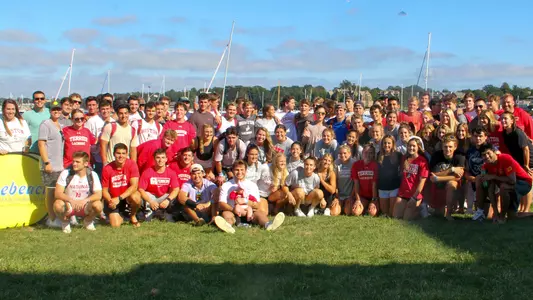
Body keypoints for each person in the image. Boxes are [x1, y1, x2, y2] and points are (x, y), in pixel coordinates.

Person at [214, 160, 285, 233]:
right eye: (237, 170)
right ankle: (227, 226)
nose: (239, 172)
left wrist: (246, 201)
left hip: (250, 213)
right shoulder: (226, 185)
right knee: (226, 214)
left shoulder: (252, 185)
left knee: (260, 214)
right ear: (232, 170)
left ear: (246, 171)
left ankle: (268, 225)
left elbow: (257, 205)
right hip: (233, 211)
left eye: (242, 170)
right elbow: (221, 203)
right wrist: (233, 209)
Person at [477, 144, 532, 223]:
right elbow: (490, 189)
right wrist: (495, 212)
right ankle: (495, 214)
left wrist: (494, 176)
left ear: (494, 152)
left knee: (503, 186)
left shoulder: (505, 158)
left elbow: (512, 180)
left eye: (488, 153)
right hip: (509, 187)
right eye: (483, 155)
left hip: (524, 183)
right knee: (512, 216)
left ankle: (502, 216)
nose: (486, 156)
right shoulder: (484, 167)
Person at [53, 151, 103, 233]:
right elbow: (57, 193)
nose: (74, 164)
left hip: (85, 205)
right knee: (57, 205)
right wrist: (71, 200)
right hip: (69, 205)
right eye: (73, 161)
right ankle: (65, 222)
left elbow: (98, 195)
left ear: (86, 163)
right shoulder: (66, 173)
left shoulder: (92, 175)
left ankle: (88, 221)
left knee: (98, 205)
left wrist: (84, 201)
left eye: (77, 162)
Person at [38, 100, 66, 228]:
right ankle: (51, 218)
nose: (56, 112)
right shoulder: (45, 124)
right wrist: (46, 162)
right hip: (50, 164)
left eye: (58, 110)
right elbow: (41, 144)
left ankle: (57, 216)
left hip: (60, 165)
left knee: (58, 192)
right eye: (54, 109)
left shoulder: (60, 125)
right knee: (50, 192)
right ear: (50, 111)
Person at [101, 143, 142, 228]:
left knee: (136, 197)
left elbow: (134, 186)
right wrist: (110, 201)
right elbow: (104, 190)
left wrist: (119, 198)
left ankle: (132, 216)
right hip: (113, 198)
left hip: (126, 196)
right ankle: (124, 216)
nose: (121, 156)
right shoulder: (107, 168)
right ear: (114, 154)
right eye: (118, 153)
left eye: (123, 153)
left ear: (127, 154)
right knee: (115, 225)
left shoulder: (132, 164)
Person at [500, 112, 533, 213]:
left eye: (506, 119)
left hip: (529, 160)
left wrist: (526, 165)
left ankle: (526, 209)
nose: (503, 121)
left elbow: (526, 149)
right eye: (502, 119)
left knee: (528, 182)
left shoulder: (518, 133)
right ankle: (519, 208)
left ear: (512, 120)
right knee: (520, 182)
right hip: (518, 162)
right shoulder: (505, 133)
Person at [428, 134, 465, 221]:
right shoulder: (436, 155)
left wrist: (438, 178)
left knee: (451, 184)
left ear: (455, 147)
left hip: (451, 183)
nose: (447, 149)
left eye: (450, 147)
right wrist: (451, 169)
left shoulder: (460, 157)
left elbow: (457, 177)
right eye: (445, 147)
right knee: (438, 214)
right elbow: (432, 174)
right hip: (437, 184)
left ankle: (449, 213)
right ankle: (430, 208)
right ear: (442, 146)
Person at [138, 148, 180, 222]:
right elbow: (141, 189)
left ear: (166, 159)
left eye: (163, 157)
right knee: (144, 195)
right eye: (158, 157)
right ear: (154, 159)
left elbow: (176, 189)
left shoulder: (171, 172)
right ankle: (148, 212)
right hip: (150, 197)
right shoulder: (147, 172)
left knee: (174, 195)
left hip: (163, 197)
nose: (160, 160)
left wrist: (167, 200)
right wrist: (150, 201)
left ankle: (165, 212)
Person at [393, 137, 429, 220]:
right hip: (403, 193)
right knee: (396, 216)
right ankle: (409, 207)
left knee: (406, 219)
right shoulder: (404, 158)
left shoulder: (422, 161)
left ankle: (420, 209)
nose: (411, 148)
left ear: (418, 147)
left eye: (413, 146)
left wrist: (414, 197)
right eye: (409, 146)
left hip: (415, 195)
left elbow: (422, 182)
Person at [466, 127, 491, 219]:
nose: (478, 139)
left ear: (485, 137)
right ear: (472, 137)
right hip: (475, 180)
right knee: (481, 216)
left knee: (488, 216)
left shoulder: (490, 149)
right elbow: (467, 169)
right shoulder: (470, 151)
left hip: (488, 180)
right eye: (475, 136)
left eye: (480, 136)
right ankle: (479, 212)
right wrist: (471, 178)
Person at [85, 99, 114, 175]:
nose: (105, 111)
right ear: (99, 109)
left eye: (107, 109)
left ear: (111, 109)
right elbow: (86, 138)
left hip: (111, 158)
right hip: (97, 159)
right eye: (103, 109)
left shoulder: (114, 122)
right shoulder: (92, 121)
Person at [350, 144, 379, 217]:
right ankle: (365, 207)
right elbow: (356, 184)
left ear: (373, 155)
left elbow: (374, 185)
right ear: (362, 153)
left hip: (374, 196)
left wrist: (374, 200)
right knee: (355, 212)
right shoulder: (356, 165)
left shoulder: (376, 165)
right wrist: (358, 200)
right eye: (366, 152)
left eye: (371, 153)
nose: (368, 155)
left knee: (372, 213)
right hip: (363, 196)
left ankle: (369, 207)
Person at [377, 135, 403, 217]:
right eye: (385, 143)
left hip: (394, 187)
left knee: (392, 214)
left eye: (389, 143)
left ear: (392, 144)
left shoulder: (398, 155)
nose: (386, 145)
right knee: (384, 213)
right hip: (382, 187)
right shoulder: (379, 155)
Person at [332, 147, 356, 216]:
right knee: (334, 213)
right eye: (340, 153)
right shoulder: (336, 162)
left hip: (350, 195)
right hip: (339, 194)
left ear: (349, 154)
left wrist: (351, 196)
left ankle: (345, 206)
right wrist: (336, 195)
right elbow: (335, 179)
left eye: (345, 153)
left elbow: (355, 182)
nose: (342, 155)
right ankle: (341, 205)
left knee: (348, 212)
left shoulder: (354, 163)